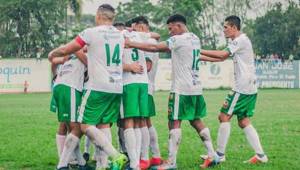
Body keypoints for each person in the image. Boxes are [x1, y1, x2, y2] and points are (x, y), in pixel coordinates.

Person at [125, 14, 220, 169]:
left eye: (171, 29)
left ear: (179, 26)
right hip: (196, 87)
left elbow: (155, 47)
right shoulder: (194, 38)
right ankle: (212, 154)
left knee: (174, 122)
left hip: (181, 89)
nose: (170, 32)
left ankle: (171, 162)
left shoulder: (179, 39)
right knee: (196, 120)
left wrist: (131, 43)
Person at [48, 4, 128, 170]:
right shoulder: (120, 36)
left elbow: (67, 49)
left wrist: (52, 54)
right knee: (104, 125)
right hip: (116, 87)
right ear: (112, 18)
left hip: (97, 86)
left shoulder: (91, 32)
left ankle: (115, 156)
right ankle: (102, 165)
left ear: (98, 16)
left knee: (83, 125)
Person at [200, 15, 268, 164]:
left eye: (225, 27)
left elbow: (223, 54)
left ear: (234, 27)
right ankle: (261, 155)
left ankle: (219, 155)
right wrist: (199, 57)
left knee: (223, 116)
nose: (223, 30)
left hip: (242, 86)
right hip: (249, 86)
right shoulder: (237, 41)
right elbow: (222, 58)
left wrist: (198, 50)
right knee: (243, 121)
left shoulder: (240, 40)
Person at [120, 17, 160, 170]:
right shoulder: (143, 36)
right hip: (144, 83)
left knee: (130, 122)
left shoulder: (122, 35)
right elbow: (156, 35)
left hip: (130, 82)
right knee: (140, 121)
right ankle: (142, 159)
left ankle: (137, 161)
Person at [131, 16, 163, 169]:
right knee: (146, 122)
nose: (133, 31)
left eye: (134, 28)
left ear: (141, 27)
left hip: (145, 86)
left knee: (142, 122)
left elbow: (148, 65)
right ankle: (155, 156)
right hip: (146, 86)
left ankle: (145, 157)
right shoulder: (149, 40)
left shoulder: (149, 42)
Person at [49, 51, 87, 169]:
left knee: (67, 126)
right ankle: (63, 164)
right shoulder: (81, 53)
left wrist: (55, 75)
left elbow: (53, 61)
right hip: (70, 87)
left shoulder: (70, 55)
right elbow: (87, 62)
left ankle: (80, 163)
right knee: (77, 128)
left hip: (60, 86)